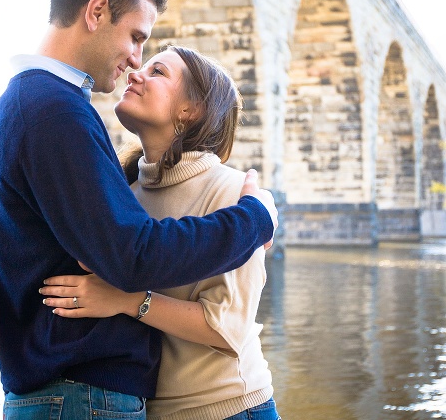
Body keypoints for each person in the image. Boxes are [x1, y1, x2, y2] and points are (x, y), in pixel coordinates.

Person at [0, 0, 277, 419]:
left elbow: (223, 320)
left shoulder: (36, 105)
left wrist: (125, 298)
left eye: (154, 62)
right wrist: (254, 222)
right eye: (137, 38)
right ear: (96, 12)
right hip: (78, 392)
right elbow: (131, 254)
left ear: (190, 109)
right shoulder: (55, 112)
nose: (135, 62)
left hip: (172, 400)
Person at [40, 45, 281, 420]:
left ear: (190, 110)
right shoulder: (125, 193)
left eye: (158, 72)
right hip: (146, 410)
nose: (134, 72)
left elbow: (226, 327)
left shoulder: (234, 193)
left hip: (228, 407)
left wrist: (127, 299)